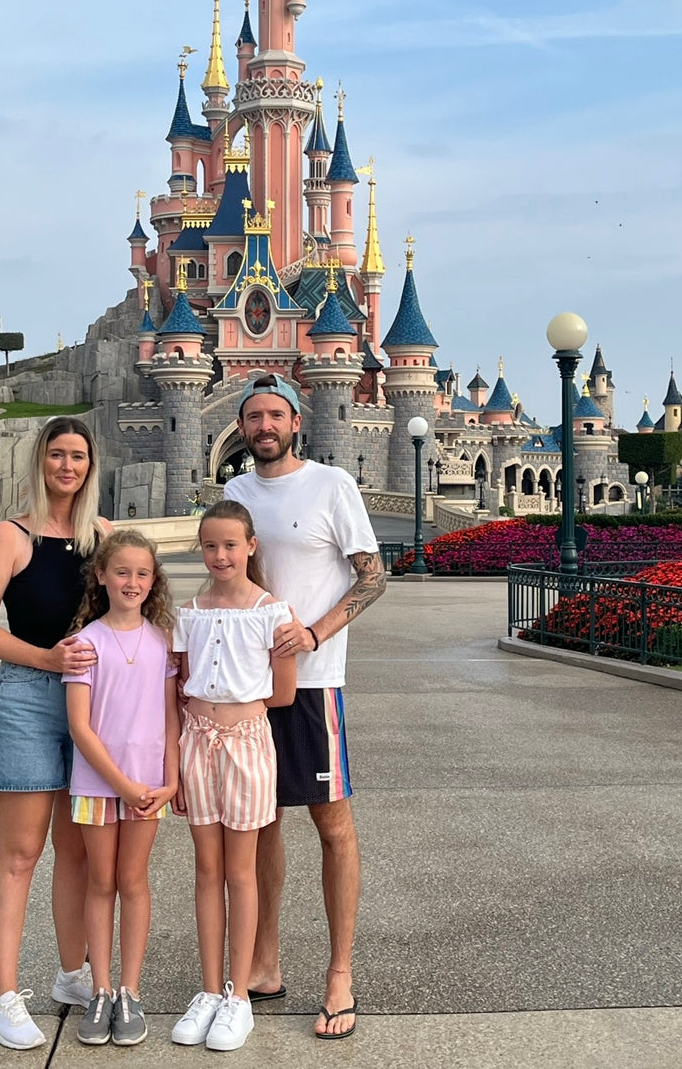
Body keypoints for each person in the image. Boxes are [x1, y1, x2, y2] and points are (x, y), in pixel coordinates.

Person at [224, 374, 386, 1041]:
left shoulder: (331, 486)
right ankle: (264, 961)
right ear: (243, 427)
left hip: (314, 681)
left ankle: (340, 974)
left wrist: (316, 631)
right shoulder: (234, 493)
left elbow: (373, 575)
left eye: (274, 414)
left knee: (331, 822)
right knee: (261, 823)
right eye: (253, 416)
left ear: (295, 421)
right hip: (249, 685)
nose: (264, 425)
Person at [0, 416, 107, 1051]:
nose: (67, 467)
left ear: (90, 466)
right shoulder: (12, 536)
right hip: (28, 696)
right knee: (21, 853)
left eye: (78, 456)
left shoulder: (103, 538)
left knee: (77, 850)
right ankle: (2, 996)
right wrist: (46, 659)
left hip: (91, 705)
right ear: (40, 462)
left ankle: (73, 974)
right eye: (57, 455)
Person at [169, 500, 297, 1052]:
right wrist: (174, 756)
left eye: (230, 544)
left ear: (250, 546)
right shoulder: (187, 612)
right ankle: (208, 991)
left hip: (246, 744)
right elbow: (176, 691)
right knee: (206, 868)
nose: (220, 555)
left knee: (241, 871)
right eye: (210, 545)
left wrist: (239, 711)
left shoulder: (273, 612)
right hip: (196, 741)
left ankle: (239, 996)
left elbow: (284, 692)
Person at [65, 529, 179, 1048]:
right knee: (100, 883)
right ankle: (101, 989)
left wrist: (169, 778)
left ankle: (130, 990)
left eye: (142, 573)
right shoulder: (86, 643)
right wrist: (121, 783)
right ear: (102, 576)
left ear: (153, 581)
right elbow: (80, 728)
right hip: (98, 784)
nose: (132, 582)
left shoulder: (161, 642)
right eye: (122, 572)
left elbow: (171, 717)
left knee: (133, 883)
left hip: (149, 787)